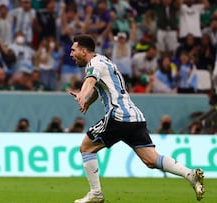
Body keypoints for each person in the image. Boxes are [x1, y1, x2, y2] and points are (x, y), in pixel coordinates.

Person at [68, 34, 205, 203]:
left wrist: (82, 95)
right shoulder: (105, 61)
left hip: (118, 116)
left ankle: (96, 193)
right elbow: (99, 87)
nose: (71, 54)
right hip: (134, 117)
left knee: (86, 148)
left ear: (84, 51)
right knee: (151, 159)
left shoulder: (94, 64)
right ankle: (190, 175)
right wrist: (88, 101)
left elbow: (90, 81)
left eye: (73, 50)